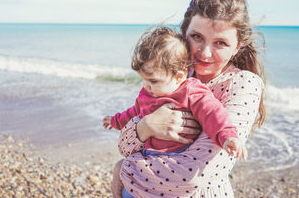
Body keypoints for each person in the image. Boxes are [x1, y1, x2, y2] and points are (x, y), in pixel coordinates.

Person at [112, 0, 266, 198]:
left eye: (220, 42)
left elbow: (193, 176)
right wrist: (147, 125)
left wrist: (123, 169)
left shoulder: (243, 84)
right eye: (197, 37)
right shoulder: (172, 71)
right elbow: (124, 145)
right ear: (184, 33)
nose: (204, 53)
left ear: (237, 46)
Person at [103, 26, 245, 160]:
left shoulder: (190, 91)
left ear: (179, 76)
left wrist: (227, 136)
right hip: (147, 155)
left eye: (153, 81)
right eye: (143, 80)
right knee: (123, 172)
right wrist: (115, 120)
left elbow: (212, 113)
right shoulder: (147, 92)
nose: (146, 86)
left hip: (179, 156)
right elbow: (134, 113)